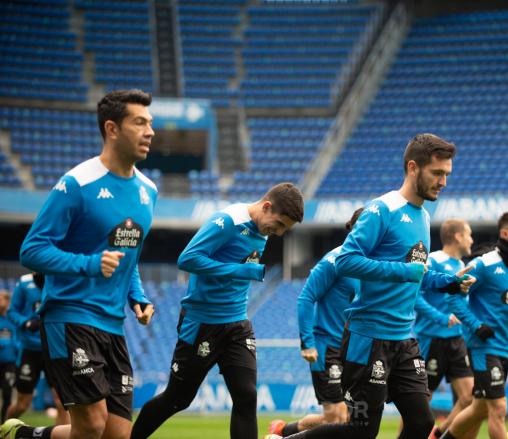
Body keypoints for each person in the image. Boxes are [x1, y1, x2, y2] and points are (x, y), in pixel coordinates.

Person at [270, 133, 475, 439]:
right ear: (413, 168)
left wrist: (451, 283)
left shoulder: (422, 216)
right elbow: (347, 261)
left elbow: (418, 272)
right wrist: (403, 271)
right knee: (360, 431)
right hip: (369, 337)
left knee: (421, 424)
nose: (443, 181)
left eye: (446, 174)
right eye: (437, 173)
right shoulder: (381, 210)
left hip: (404, 338)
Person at [2, 89, 157, 439]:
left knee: (117, 434)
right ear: (112, 129)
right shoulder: (77, 184)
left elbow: (127, 255)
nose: (150, 131)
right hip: (69, 317)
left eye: (150, 123)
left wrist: (138, 298)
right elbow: (32, 250)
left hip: (113, 325)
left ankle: (26, 435)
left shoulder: (149, 190)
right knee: (91, 426)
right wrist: (89, 264)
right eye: (139, 122)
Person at [131, 182, 304, 439]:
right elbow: (187, 259)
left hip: (237, 323)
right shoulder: (227, 222)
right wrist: (238, 270)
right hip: (202, 323)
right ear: (266, 206)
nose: (277, 232)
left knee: (247, 396)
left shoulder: (263, 230)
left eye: (283, 229)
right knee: (178, 399)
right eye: (278, 225)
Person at [441, 211, 508, 439]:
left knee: (479, 408)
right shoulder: (484, 265)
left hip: (505, 347)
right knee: (499, 407)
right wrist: (476, 325)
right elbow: (452, 297)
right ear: (505, 233)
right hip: (483, 346)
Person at [269, 208, 363, 437]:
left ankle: (283, 430)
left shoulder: (366, 265)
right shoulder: (334, 260)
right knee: (337, 418)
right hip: (326, 347)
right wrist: (307, 343)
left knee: (347, 418)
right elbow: (305, 298)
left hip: (350, 350)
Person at [414, 219, 475, 438]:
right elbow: (415, 297)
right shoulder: (434, 260)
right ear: (457, 236)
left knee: (469, 397)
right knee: (419, 404)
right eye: (469, 234)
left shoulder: (461, 267)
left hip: (456, 340)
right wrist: (441, 318)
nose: (472, 240)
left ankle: (438, 433)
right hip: (432, 339)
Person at [6, 273, 67, 425]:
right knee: (22, 404)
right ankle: (4, 429)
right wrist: (26, 323)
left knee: (62, 402)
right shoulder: (24, 282)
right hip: (30, 350)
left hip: (54, 349)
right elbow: (12, 311)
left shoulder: (59, 278)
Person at [0, 289, 16, 422]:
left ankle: (3, 425)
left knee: (7, 394)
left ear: (7, 301)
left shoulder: (12, 319)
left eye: (1, 299)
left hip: (10, 363)